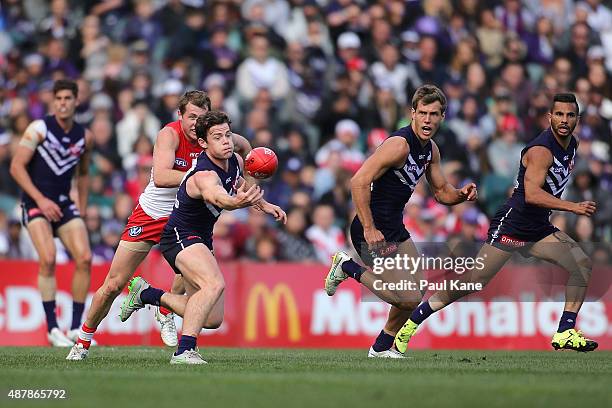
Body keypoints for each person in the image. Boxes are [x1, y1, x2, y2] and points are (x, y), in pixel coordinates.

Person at [394, 93, 598, 353]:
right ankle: (414, 320)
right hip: (513, 224)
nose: (564, 120)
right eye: (559, 114)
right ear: (549, 117)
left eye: (570, 115)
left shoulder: (572, 144)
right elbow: (532, 194)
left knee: (581, 264)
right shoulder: (541, 151)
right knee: (475, 281)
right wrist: (573, 207)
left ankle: (565, 331)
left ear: (577, 119)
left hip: (538, 227)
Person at [66, 92, 252, 360]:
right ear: (180, 116)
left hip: (187, 218)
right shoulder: (170, 135)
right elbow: (163, 177)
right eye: (191, 117)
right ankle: (82, 340)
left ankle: (171, 321)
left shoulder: (216, 137)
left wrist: (249, 172)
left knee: (207, 299)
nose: (195, 123)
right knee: (114, 283)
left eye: (202, 117)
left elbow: (246, 148)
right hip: (153, 214)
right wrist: (202, 179)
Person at [120, 111, 286, 364]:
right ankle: (185, 351)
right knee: (213, 284)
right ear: (203, 144)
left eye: (228, 135)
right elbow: (218, 196)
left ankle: (146, 294)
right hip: (179, 236)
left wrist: (264, 204)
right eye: (217, 137)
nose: (227, 141)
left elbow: (238, 183)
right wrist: (235, 203)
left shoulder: (233, 163)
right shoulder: (203, 174)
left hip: (200, 237)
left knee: (212, 319)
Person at [324, 85, 477, 358]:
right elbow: (358, 180)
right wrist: (369, 228)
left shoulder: (430, 150)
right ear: (412, 114)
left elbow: (442, 192)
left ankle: (381, 347)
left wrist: (460, 195)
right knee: (406, 297)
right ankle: (346, 266)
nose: (428, 119)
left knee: (415, 292)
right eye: (423, 113)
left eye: (434, 114)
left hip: (394, 227)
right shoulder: (399, 145)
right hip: (370, 228)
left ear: (442, 117)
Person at [10, 79, 94, 347]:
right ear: (52, 101)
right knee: (47, 258)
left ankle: (74, 328)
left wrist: (80, 207)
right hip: (35, 203)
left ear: (76, 101)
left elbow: (82, 174)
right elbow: (16, 167)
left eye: (68, 98)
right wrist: (40, 199)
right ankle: (52, 328)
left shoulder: (85, 136)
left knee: (84, 258)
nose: (63, 103)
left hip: (63, 204)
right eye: (58, 98)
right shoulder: (39, 129)